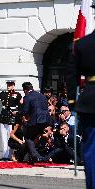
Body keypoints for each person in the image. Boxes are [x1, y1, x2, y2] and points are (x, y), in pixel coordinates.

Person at [66, 4, 95, 187]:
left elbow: (71, 76)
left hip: (90, 102)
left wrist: (72, 102)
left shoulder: (82, 44)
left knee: (92, 151)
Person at [0, 80, 22, 160]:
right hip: (3, 117)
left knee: (9, 137)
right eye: (8, 85)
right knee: (3, 137)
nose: (9, 86)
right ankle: (5, 155)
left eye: (10, 85)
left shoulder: (17, 94)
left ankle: (10, 155)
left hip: (12, 117)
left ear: (13, 85)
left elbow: (21, 105)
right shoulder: (3, 94)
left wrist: (17, 111)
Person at [21, 82, 51, 163]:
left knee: (28, 137)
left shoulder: (27, 96)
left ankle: (35, 157)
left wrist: (19, 113)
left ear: (25, 90)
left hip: (36, 120)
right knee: (35, 138)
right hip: (45, 120)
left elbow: (25, 111)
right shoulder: (42, 95)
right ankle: (33, 156)